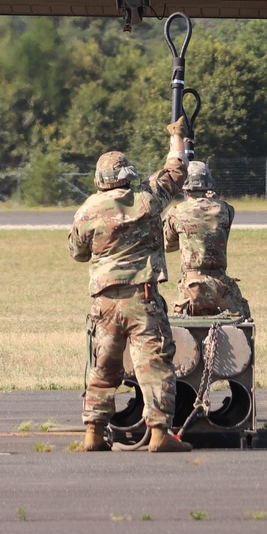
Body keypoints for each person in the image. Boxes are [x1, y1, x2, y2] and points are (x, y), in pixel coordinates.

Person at [68, 120, 192, 453]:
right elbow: (175, 172)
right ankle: (158, 434)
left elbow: (77, 253)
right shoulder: (148, 198)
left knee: (103, 366)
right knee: (153, 367)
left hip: (105, 301)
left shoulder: (87, 210)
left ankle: (93, 432)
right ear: (128, 173)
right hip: (143, 299)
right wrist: (177, 137)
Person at [162, 161, 252, 319]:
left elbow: (168, 245)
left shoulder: (176, 212)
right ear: (208, 183)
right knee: (242, 319)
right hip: (221, 284)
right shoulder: (225, 209)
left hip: (190, 285)